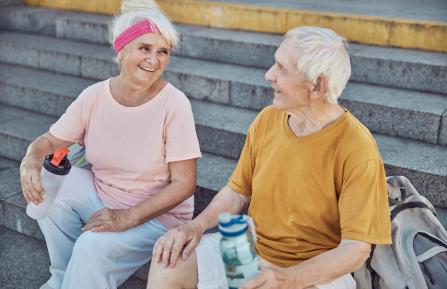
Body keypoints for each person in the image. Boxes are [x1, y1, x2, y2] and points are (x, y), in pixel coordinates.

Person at [147, 26, 392, 289]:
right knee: (169, 261)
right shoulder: (267, 119)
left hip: (316, 274)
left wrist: (287, 279)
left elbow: (355, 250)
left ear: (318, 85)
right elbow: (236, 193)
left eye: (281, 69)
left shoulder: (357, 146)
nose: (269, 75)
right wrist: (194, 227)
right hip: (250, 251)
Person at [18, 0, 201, 288]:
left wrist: (128, 217)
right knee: (47, 183)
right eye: (145, 48)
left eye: (163, 51)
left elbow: (184, 184)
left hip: (156, 217)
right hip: (103, 194)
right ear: (122, 48)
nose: (154, 60)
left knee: (91, 245)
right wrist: (30, 159)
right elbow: (51, 140)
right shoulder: (95, 96)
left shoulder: (174, 104)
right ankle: (65, 277)